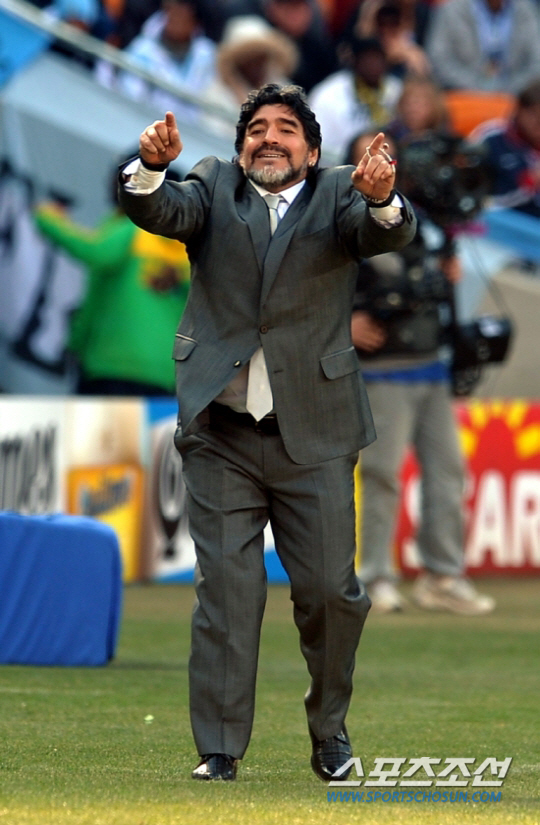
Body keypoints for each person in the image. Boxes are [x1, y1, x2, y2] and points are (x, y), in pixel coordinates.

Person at [118, 82, 416, 781]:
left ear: (311, 151)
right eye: (257, 128)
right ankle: (219, 748)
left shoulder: (340, 193)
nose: (270, 137)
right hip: (220, 434)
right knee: (227, 591)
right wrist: (152, 166)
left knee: (330, 595)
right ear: (239, 146)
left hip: (316, 432)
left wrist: (381, 198)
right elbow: (158, 207)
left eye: (286, 128)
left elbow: (386, 231)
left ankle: (330, 731)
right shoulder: (212, 185)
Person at [347, 131, 495, 616]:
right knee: (381, 474)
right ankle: (374, 575)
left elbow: (433, 283)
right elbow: (320, 282)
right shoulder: (344, 217)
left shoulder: (426, 219)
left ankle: (442, 575)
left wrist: (448, 277)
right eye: (368, 154)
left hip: (431, 363)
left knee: (448, 472)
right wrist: (344, 322)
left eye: (386, 154)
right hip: (382, 368)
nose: (379, 161)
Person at [34, 163, 190, 395]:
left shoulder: (133, 227)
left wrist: (48, 218)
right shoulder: (190, 245)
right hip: (166, 373)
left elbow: (95, 251)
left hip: (113, 364)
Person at [95, 0, 217, 124]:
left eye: (183, 15)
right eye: (172, 13)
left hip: (191, 130)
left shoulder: (206, 54)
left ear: (194, 22)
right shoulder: (143, 50)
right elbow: (131, 95)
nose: (176, 19)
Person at [308, 36, 403, 158]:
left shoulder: (395, 89)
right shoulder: (328, 94)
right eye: (367, 59)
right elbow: (316, 143)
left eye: (378, 58)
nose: (373, 64)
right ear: (355, 61)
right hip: (338, 162)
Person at [425, 0, 540, 94]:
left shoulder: (527, 10)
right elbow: (439, 60)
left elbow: (537, 62)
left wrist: (510, 88)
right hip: (462, 94)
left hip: (517, 96)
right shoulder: (451, 10)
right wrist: (477, 87)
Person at [471, 79, 540, 218]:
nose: (538, 122)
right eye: (534, 114)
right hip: (495, 223)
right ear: (519, 110)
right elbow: (472, 195)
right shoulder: (493, 138)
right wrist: (529, 184)